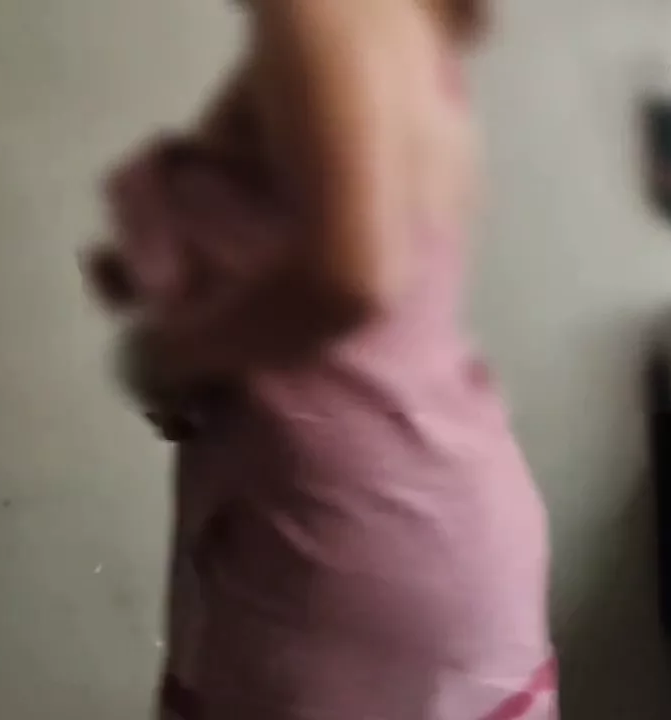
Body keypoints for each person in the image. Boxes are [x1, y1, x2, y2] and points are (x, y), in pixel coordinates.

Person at [82, 1, 557, 718]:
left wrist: (163, 356)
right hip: (415, 510)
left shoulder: (324, 12)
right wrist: (156, 268)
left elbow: (352, 277)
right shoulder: (396, 28)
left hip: (344, 525)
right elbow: (310, 240)